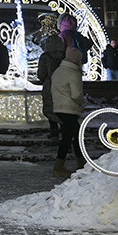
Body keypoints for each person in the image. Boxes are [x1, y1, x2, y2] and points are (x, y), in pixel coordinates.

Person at [51, 45, 86, 177]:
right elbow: (76, 94)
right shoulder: (74, 73)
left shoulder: (58, 71)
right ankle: (58, 167)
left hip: (59, 108)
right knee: (68, 137)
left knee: (75, 135)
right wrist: (83, 103)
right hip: (70, 109)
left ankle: (80, 162)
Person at [35, 34, 65, 141]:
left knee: (50, 109)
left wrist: (45, 80)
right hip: (63, 87)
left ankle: (54, 131)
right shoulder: (65, 56)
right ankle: (65, 131)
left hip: (50, 86)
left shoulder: (45, 57)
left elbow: (41, 74)